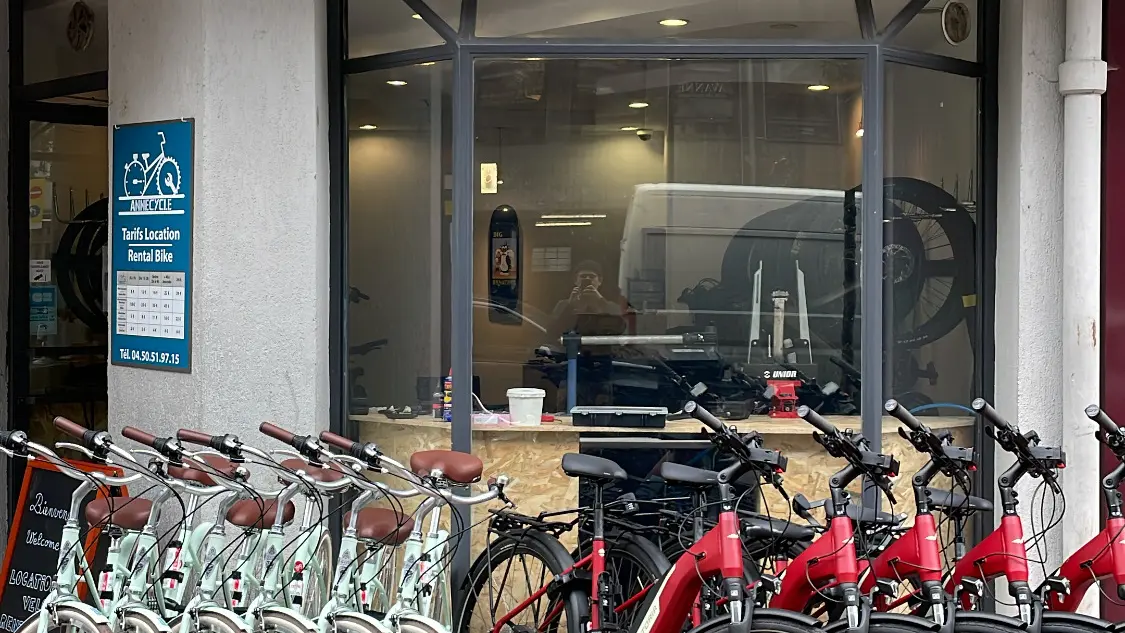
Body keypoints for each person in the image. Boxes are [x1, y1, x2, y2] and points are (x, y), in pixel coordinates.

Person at [550, 260, 621, 334]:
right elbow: (552, 330)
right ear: (575, 280)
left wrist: (601, 301)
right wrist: (569, 305)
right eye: (583, 276)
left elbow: (620, 325)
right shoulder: (563, 304)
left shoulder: (609, 306)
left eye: (592, 276)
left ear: (600, 281)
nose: (587, 279)